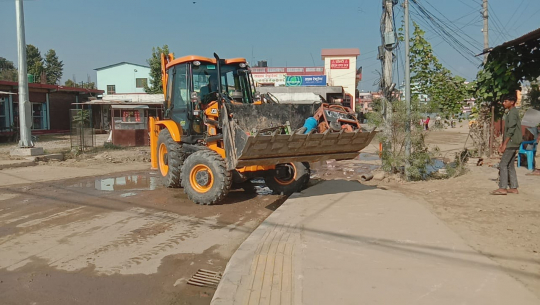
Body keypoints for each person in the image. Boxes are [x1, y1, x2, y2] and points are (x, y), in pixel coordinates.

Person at [491, 94, 522, 195]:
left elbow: (511, 130)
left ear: (512, 102)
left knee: (503, 164)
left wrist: (504, 144)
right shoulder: (511, 112)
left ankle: (503, 187)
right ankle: (513, 187)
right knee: (510, 165)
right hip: (513, 142)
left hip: (511, 142)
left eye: (506, 101)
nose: (504, 103)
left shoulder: (512, 113)